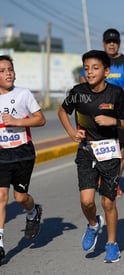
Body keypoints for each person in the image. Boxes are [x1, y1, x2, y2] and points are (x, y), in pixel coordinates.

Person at [58, 50, 124, 263]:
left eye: (95, 68)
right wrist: (72, 133)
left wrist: (114, 122)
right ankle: (93, 224)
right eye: (86, 68)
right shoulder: (78, 92)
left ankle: (112, 244)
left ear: (106, 71)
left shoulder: (115, 94)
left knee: (108, 202)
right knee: (86, 201)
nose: (90, 72)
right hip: (86, 150)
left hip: (110, 152)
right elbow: (62, 111)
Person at [80, 28, 124, 197]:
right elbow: (83, 77)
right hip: (96, 114)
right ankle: (99, 176)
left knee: (121, 151)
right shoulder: (95, 60)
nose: (112, 44)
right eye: (108, 42)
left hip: (119, 114)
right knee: (96, 147)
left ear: (119, 43)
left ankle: (113, 181)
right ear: (103, 43)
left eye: (115, 42)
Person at [0, 55, 46, 262]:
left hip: (22, 152)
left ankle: (33, 211)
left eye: (10, 69)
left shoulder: (23, 94)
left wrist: (18, 121)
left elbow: (41, 119)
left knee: (20, 198)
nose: (8, 73)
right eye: (2, 71)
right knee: (1, 197)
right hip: (1, 154)